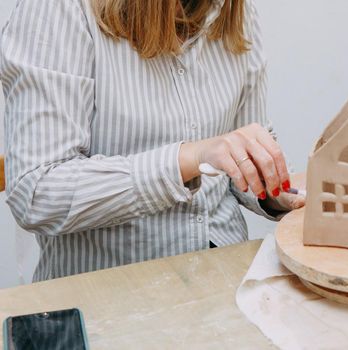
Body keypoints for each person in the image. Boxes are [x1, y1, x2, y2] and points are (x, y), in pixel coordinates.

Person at [0, 0, 304, 281]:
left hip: (224, 276)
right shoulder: (59, 10)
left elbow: (240, 153)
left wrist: (280, 190)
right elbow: (36, 192)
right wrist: (187, 160)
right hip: (107, 294)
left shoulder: (233, 9)